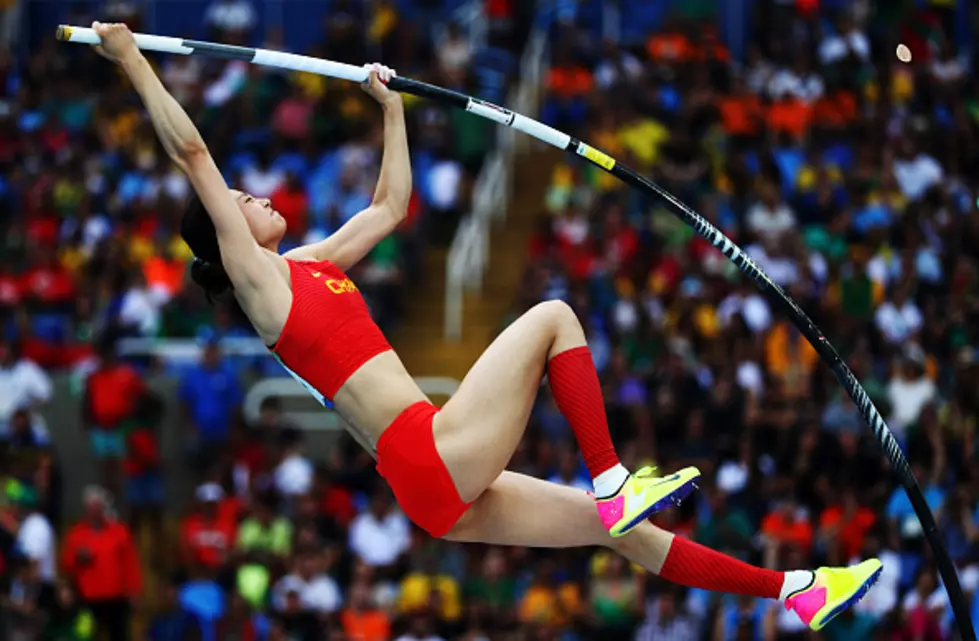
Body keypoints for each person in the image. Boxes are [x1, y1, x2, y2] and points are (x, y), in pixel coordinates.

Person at [88, 21, 881, 632]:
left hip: (432, 480)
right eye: (246, 203)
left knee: (623, 539)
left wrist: (390, 109)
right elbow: (193, 152)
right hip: (422, 449)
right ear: (230, 231)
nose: (259, 198)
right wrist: (130, 58)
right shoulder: (258, 282)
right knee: (554, 316)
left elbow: (389, 208)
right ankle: (610, 478)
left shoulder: (305, 263)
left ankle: (796, 590)